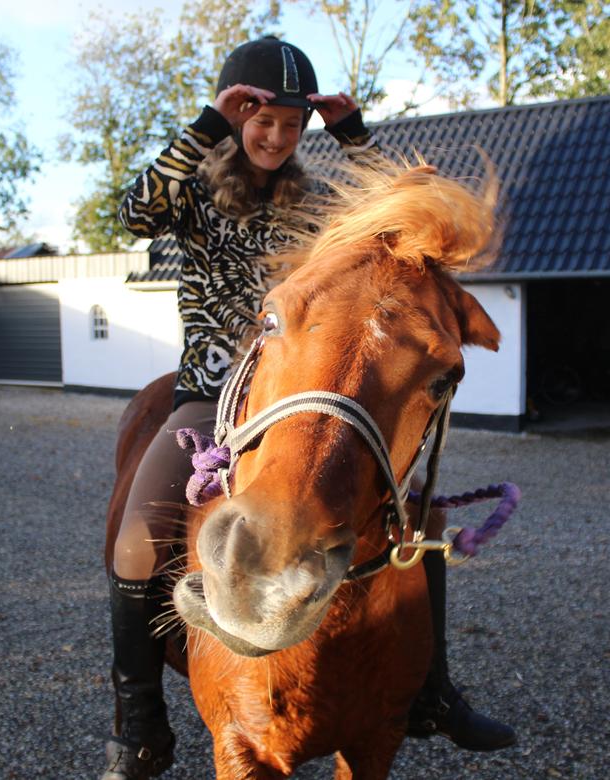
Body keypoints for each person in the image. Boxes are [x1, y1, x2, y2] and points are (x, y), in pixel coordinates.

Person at [104, 36, 516, 780]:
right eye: (260, 119)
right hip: (210, 389)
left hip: (305, 389)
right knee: (136, 539)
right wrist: (205, 124)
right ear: (236, 117)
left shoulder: (315, 201)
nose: (276, 136)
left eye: (292, 125)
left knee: (417, 517)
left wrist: (352, 134)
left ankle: (430, 690)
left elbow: (392, 222)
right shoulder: (193, 190)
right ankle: (138, 723)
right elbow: (134, 213)